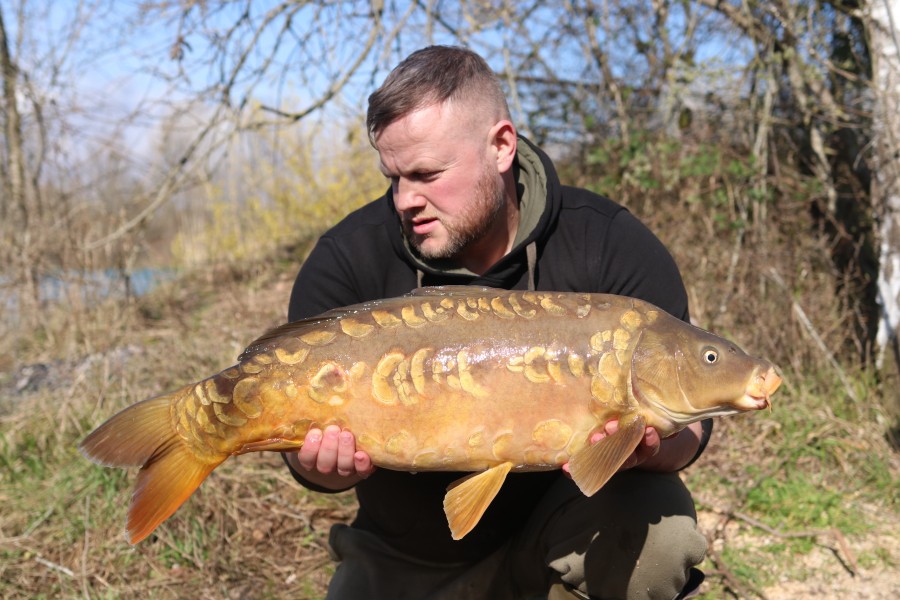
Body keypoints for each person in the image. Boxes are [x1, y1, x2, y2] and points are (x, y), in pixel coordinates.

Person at [282, 45, 712, 600]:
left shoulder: (608, 243)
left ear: (501, 146)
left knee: (661, 527)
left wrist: (652, 447)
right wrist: (321, 468)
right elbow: (299, 451)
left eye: (427, 174)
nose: (405, 200)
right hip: (407, 552)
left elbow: (694, 425)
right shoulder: (348, 259)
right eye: (393, 177)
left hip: (564, 537)